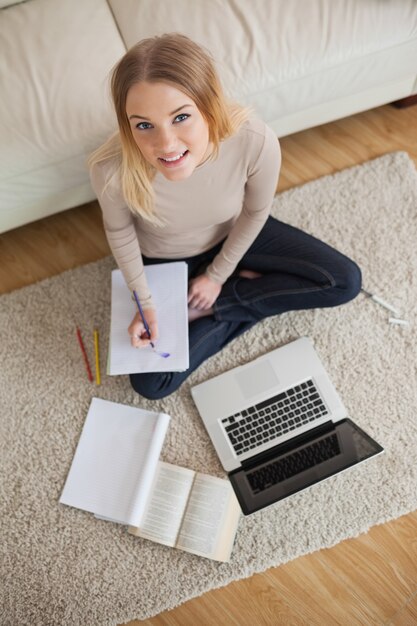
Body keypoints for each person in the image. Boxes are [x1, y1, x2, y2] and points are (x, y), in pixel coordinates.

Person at [89, 33, 361, 400]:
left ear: (209, 106)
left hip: (236, 235)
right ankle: (256, 293)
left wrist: (217, 279)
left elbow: (256, 211)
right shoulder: (111, 169)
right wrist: (146, 303)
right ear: (127, 124)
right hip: (168, 256)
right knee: (151, 384)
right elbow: (120, 232)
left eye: (181, 117)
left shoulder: (254, 140)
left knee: (344, 281)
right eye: (143, 125)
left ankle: (219, 305)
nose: (165, 145)